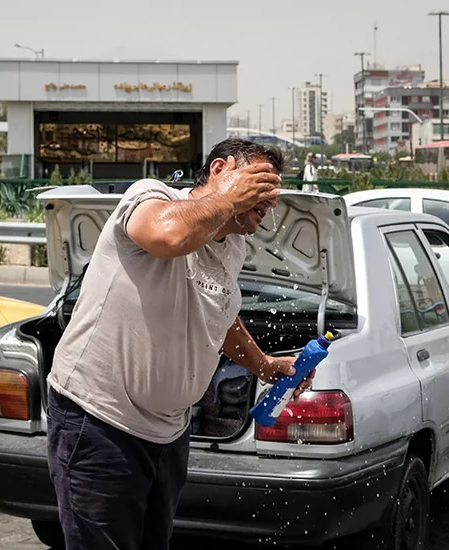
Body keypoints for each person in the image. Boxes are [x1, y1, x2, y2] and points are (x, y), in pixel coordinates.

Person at [45, 138, 315, 550]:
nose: (270, 200)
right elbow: (169, 237)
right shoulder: (151, 198)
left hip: (169, 434)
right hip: (99, 421)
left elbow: (216, 312)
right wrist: (229, 197)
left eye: (274, 190)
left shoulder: (233, 246)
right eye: (260, 183)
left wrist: (263, 364)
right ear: (220, 169)